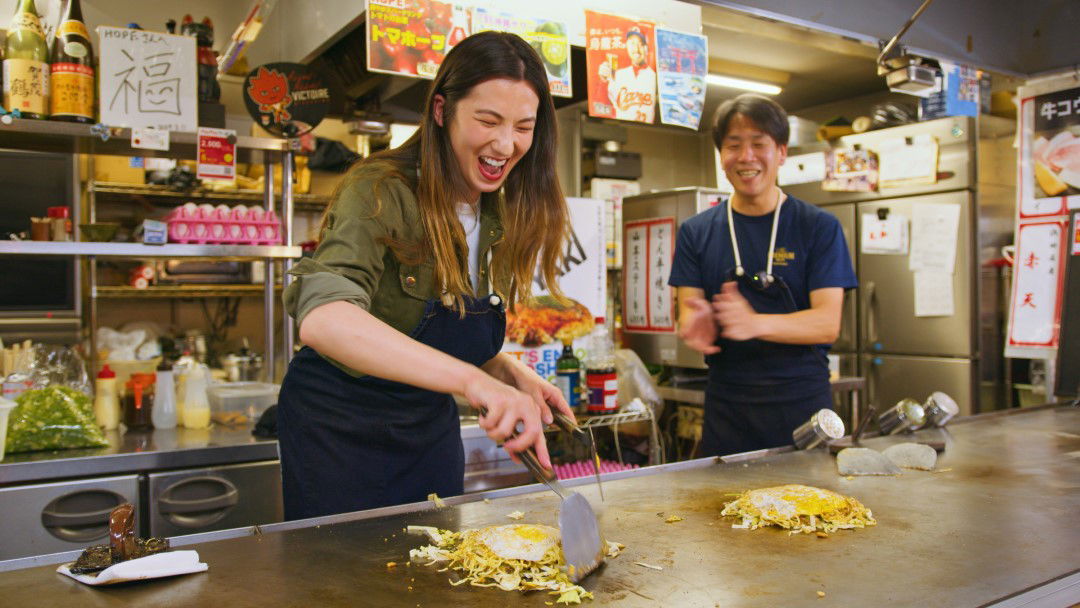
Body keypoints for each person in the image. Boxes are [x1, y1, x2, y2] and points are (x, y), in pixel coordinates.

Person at [278, 31, 574, 520]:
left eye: (524, 126)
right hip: (339, 431)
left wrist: (504, 371)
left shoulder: (497, 209)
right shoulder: (380, 188)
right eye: (487, 120)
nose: (506, 144)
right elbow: (324, 317)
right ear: (441, 110)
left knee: (435, 572)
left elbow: (440, 322)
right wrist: (472, 383)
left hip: (427, 427)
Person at [668, 94, 856, 457]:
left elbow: (826, 324)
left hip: (802, 408)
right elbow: (687, 312)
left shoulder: (818, 227)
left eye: (759, 144)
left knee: (812, 511)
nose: (746, 156)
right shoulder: (696, 231)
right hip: (728, 408)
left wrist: (754, 323)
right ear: (721, 156)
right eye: (733, 145)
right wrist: (697, 323)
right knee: (722, 510)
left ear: (781, 152)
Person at [597, 27, 656, 122]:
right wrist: (603, 81)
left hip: (646, 132)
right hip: (622, 130)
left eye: (640, 45)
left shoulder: (654, 77)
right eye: (633, 44)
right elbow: (602, 105)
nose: (636, 49)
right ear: (627, 47)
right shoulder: (619, 74)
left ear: (646, 48)